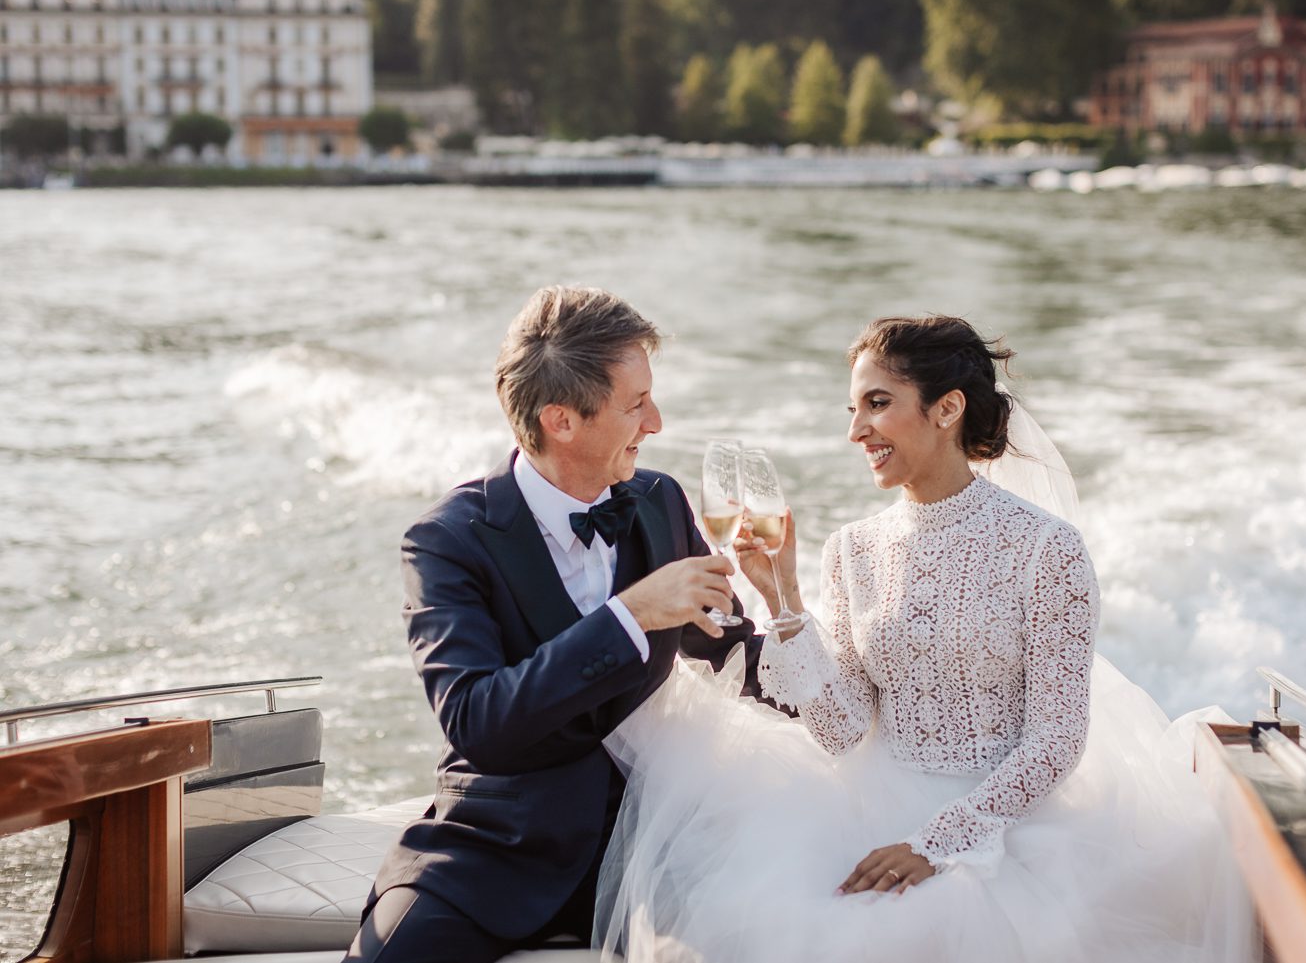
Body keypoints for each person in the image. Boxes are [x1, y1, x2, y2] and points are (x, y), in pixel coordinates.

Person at [595, 316, 1257, 963]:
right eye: (852, 408)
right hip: (865, 808)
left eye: (876, 405)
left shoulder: (1047, 548)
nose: (856, 430)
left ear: (947, 409)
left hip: (1014, 825)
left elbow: (1056, 738)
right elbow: (845, 730)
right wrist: (782, 597)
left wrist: (936, 842)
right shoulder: (852, 547)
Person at [344, 285, 768, 962]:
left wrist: (805, 625)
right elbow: (479, 720)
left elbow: (732, 652)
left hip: (652, 846)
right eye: (636, 405)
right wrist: (629, 615)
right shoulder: (446, 541)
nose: (655, 422)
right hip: (497, 847)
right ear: (562, 421)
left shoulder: (660, 501)